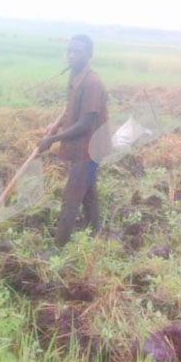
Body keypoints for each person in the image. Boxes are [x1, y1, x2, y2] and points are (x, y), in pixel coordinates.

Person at [38, 34, 111, 253]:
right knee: (88, 191)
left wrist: (52, 139)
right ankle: (95, 234)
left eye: (77, 52)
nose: (71, 55)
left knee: (72, 196)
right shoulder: (75, 75)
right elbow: (71, 110)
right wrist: (55, 125)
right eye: (69, 51)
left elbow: (85, 123)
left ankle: (58, 247)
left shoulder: (92, 83)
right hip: (84, 144)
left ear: (89, 55)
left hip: (90, 147)